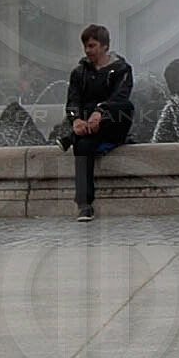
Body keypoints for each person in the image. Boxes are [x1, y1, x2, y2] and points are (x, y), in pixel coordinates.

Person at [61, 25, 134, 222]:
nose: (88, 50)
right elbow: (73, 101)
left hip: (113, 123)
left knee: (125, 106)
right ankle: (84, 205)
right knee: (83, 147)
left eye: (92, 46)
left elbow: (120, 96)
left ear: (105, 46)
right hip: (89, 129)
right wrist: (75, 119)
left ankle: (71, 137)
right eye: (85, 46)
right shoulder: (79, 73)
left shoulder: (122, 69)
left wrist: (100, 112)